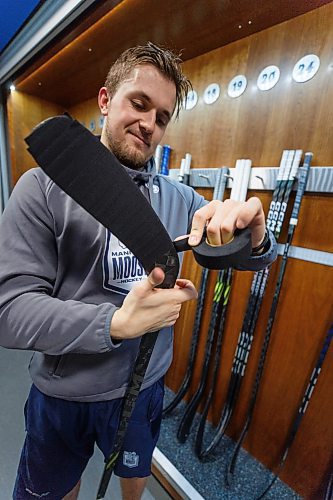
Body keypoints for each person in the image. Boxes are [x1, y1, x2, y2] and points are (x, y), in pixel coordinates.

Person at [0, 42, 277, 500]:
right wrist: (113, 324)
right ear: (106, 100)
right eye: (139, 103)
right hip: (63, 394)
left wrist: (255, 235)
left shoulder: (181, 200)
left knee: (134, 478)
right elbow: (9, 310)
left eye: (162, 117)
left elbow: (232, 254)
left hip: (142, 386)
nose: (149, 124)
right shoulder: (42, 188)